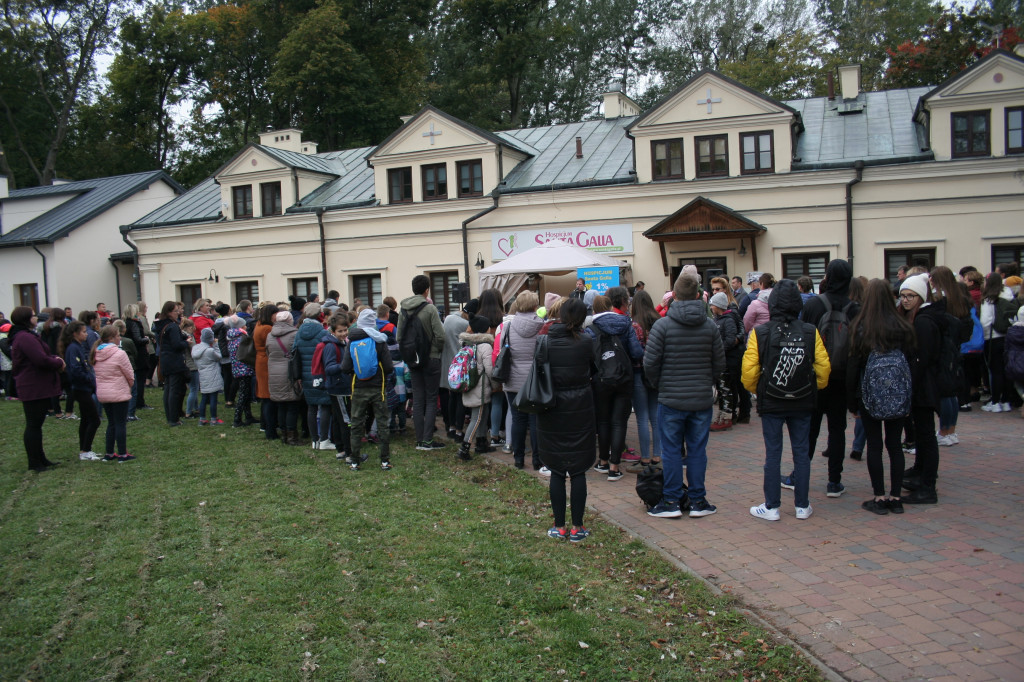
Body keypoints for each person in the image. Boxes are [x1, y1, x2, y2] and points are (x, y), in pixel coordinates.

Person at [742, 279, 830, 521]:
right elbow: (823, 369)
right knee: (801, 452)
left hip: (772, 400)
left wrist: (759, 390)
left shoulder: (760, 332)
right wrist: (812, 388)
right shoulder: (810, 331)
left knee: (773, 453)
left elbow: (748, 372)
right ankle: (802, 505)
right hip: (802, 400)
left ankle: (772, 507)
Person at [644, 273, 725, 519]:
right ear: (699, 295)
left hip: (671, 398)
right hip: (699, 398)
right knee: (697, 450)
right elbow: (719, 364)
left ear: (674, 296)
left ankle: (671, 501)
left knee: (671, 451)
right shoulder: (710, 325)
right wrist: (705, 381)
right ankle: (698, 500)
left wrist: (660, 384)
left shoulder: (662, 325)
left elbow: (650, 363)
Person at [847, 278, 916, 515]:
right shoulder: (903, 326)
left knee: (874, 445)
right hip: (898, 394)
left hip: (869, 395)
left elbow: (854, 366)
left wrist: (853, 400)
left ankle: (879, 496)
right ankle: (896, 497)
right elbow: (910, 364)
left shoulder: (861, 326)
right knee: (895, 444)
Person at [794, 260, 859, 498]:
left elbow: (804, 339)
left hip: (816, 375)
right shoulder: (855, 308)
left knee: (809, 428)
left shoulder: (814, 305)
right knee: (837, 430)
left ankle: (799, 475)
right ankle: (834, 481)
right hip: (843, 376)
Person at [538, 298, 596, 542]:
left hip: (551, 407)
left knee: (557, 469)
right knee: (579, 468)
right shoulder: (586, 341)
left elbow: (539, 369)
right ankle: (578, 527)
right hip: (581, 406)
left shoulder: (545, 340)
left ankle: (559, 526)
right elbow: (594, 369)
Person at [898, 273, 943, 504]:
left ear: (920, 297)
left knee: (926, 434)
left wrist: (910, 383)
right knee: (922, 433)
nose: (905, 300)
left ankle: (928, 485)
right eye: (903, 296)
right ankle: (921, 474)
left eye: (910, 296)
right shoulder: (917, 319)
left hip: (924, 386)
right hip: (920, 384)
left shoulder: (924, 322)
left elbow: (921, 358)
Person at [589, 289, 643, 480]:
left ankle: (602, 461)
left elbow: (589, 356)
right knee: (619, 422)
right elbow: (637, 352)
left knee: (603, 421)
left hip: (601, 379)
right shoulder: (626, 324)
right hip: (624, 378)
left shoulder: (591, 328)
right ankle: (614, 466)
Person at [9, 307, 66, 471]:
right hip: (32, 386)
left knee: (36, 424)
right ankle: (34, 462)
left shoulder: (26, 336)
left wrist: (53, 358)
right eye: (34, 316)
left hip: (36, 385)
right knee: (33, 425)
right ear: (27, 319)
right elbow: (40, 359)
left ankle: (40, 458)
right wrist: (58, 362)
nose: (37, 318)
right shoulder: (24, 338)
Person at [340, 309, 394, 470]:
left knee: (356, 424)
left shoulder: (352, 340)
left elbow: (344, 367)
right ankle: (384, 460)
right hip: (378, 388)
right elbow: (389, 367)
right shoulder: (379, 340)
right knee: (382, 423)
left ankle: (355, 460)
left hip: (358, 388)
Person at [397, 275, 447, 450]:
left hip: (412, 358)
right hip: (431, 358)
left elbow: (399, 337)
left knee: (418, 398)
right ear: (427, 290)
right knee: (432, 398)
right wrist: (434, 350)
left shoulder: (403, 308)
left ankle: (420, 439)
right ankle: (427, 440)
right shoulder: (430, 309)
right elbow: (441, 336)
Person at [628, 289, 662, 471]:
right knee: (656, 416)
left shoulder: (634, 325)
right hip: (655, 374)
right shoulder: (660, 322)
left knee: (641, 418)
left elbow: (633, 352)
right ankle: (658, 455)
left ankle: (646, 459)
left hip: (638, 373)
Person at [455, 315, 496, 460]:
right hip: (480, 387)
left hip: (469, 385)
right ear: (485, 330)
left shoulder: (467, 344)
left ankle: (481, 443)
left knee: (482, 415)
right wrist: (495, 385)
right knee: (477, 418)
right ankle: (464, 449)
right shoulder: (485, 346)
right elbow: (490, 369)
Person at [60, 321, 102, 460]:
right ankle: (86, 450)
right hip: (80, 388)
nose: (86, 334)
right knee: (94, 420)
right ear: (75, 334)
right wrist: (89, 379)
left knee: (85, 419)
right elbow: (76, 369)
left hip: (84, 387)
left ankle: (84, 450)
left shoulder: (78, 346)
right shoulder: (73, 348)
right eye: (83, 332)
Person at [93, 325, 135, 461]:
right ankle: (123, 453)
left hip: (104, 393)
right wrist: (130, 384)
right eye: (117, 335)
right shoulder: (119, 354)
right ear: (111, 338)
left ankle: (109, 452)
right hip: (118, 391)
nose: (120, 338)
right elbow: (129, 373)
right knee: (120, 423)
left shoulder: (96, 353)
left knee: (111, 423)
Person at [980, 272, 1019, 413]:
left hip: (992, 338)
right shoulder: (1009, 296)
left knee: (995, 371)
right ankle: (1006, 401)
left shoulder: (989, 299)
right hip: (1008, 337)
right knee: (1006, 370)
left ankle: (995, 401)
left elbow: (985, 321)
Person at [267, 311, 303, 445]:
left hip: (273, 372)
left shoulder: (270, 335)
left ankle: (283, 435)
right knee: (292, 405)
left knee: (281, 405)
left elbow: (268, 352)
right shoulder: (294, 334)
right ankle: (292, 436)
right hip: (289, 372)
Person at [709, 291, 743, 431]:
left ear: (718, 306)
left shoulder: (727, 320)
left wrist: (717, 350)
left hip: (726, 361)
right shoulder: (718, 319)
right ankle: (722, 415)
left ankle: (727, 416)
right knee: (722, 388)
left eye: (713, 304)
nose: (711, 307)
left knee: (725, 389)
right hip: (721, 360)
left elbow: (730, 340)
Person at [322, 313, 353, 461]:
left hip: (341, 386)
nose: (344, 333)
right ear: (332, 331)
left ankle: (340, 448)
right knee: (346, 420)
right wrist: (344, 366)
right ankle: (349, 453)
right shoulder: (331, 346)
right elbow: (329, 368)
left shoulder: (342, 343)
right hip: (339, 388)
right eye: (340, 331)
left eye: (345, 330)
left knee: (338, 419)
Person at [154, 301, 189, 426]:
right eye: (175, 311)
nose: (178, 313)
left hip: (165, 360)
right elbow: (176, 345)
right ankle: (174, 419)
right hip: (174, 361)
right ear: (169, 312)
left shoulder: (161, 325)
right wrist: (186, 342)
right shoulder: (172, 326)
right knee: (174, 390)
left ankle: (171, 416)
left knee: (168, 389)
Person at [225, 315, 257, 427]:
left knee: (246, 393)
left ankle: (248, 416)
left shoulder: (231, 338)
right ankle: (237, 419)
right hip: (244, 368)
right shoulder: (242, 338)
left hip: (237, 368)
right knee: (243, 394)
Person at [253, 303, 277, 439]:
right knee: (268, 397)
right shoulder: (267, 328)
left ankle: (265, 425)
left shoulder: (259, 324)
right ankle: (270, 430)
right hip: (266, 361)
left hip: (260, 360)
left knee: (265, 396)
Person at [192, 327, 224, 425]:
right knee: (213, 398)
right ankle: (213, 419)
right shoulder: (209, 351)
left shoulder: (195, 349)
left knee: (204, 397)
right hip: (212, 374)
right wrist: (215, 345)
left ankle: (202, 418)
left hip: (202, 373)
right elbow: (219, 357)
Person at [122, 304, 152, 411]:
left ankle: (138, 401)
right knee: (139, 379)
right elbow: (138, 339)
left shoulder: (126, 323)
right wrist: (147, 339)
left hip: (132, 353)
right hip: (139, 354)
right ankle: (139, 402)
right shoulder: (134, 323)